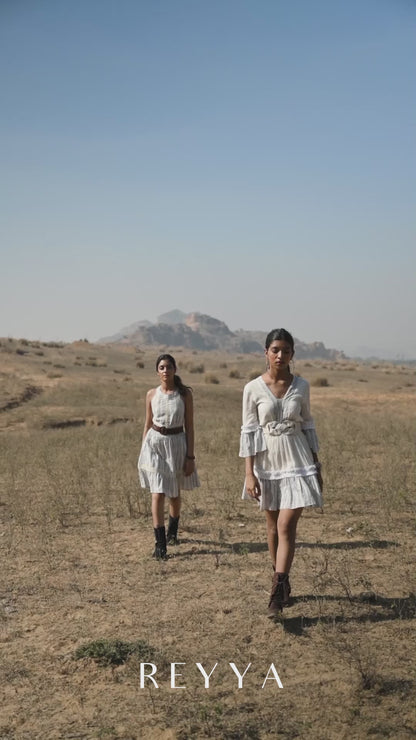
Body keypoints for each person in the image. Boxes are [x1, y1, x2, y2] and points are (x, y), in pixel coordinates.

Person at [239, 328, 323, 617]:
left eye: (286, 350)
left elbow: (308, 423)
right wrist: (249, 474)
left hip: (298, 460)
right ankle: (282, 582)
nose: (280, 355)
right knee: (272, 527)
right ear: (265, 352)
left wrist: (316, 464)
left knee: (286, 525)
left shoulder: (302, 385)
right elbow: (248, 432)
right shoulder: (252, 388)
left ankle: (276, 592)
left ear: (292, 354)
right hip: (267, 462)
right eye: (275, 349)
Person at [138, 353, 200, 560]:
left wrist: (190, 457)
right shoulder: (151, 395)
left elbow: (190, 427)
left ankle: (173, 531)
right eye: (162, 367)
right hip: (154, 444)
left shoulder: (184, 395)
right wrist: (142, 450)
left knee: (174, 493)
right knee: (158, 492)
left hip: (176, 445)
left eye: (169, 367)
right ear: (157, 372)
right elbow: (147, 423)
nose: (165, 371)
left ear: (175, 369)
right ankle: (160, 544)